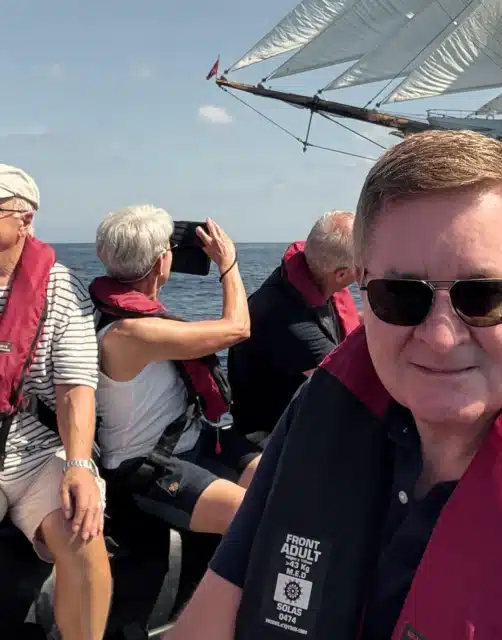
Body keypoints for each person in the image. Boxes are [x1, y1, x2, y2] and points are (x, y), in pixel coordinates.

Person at [167, 130, 502, 640]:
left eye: (483, 296)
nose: (442, 336)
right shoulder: (319, 417)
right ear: (361, 289)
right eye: (402, 296)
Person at [91, 206, 261, 536]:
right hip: (147, 465)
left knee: (285, 483)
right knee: (261, 520)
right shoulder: (130, 333)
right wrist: (229, 264)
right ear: (160, 262)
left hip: (193, 441)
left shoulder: (125, 313)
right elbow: (237, 328)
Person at [0, 164, 111, 639]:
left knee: (83, 537)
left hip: (36, 451)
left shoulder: (61, 291)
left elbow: (76, 386)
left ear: (24, 220)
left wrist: (80, 464)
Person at [227, 210, 361, 440]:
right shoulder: (286, 317)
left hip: (305, 418)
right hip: (272, 436)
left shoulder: (308, 281)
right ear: (341, 274)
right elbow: (349, 380)